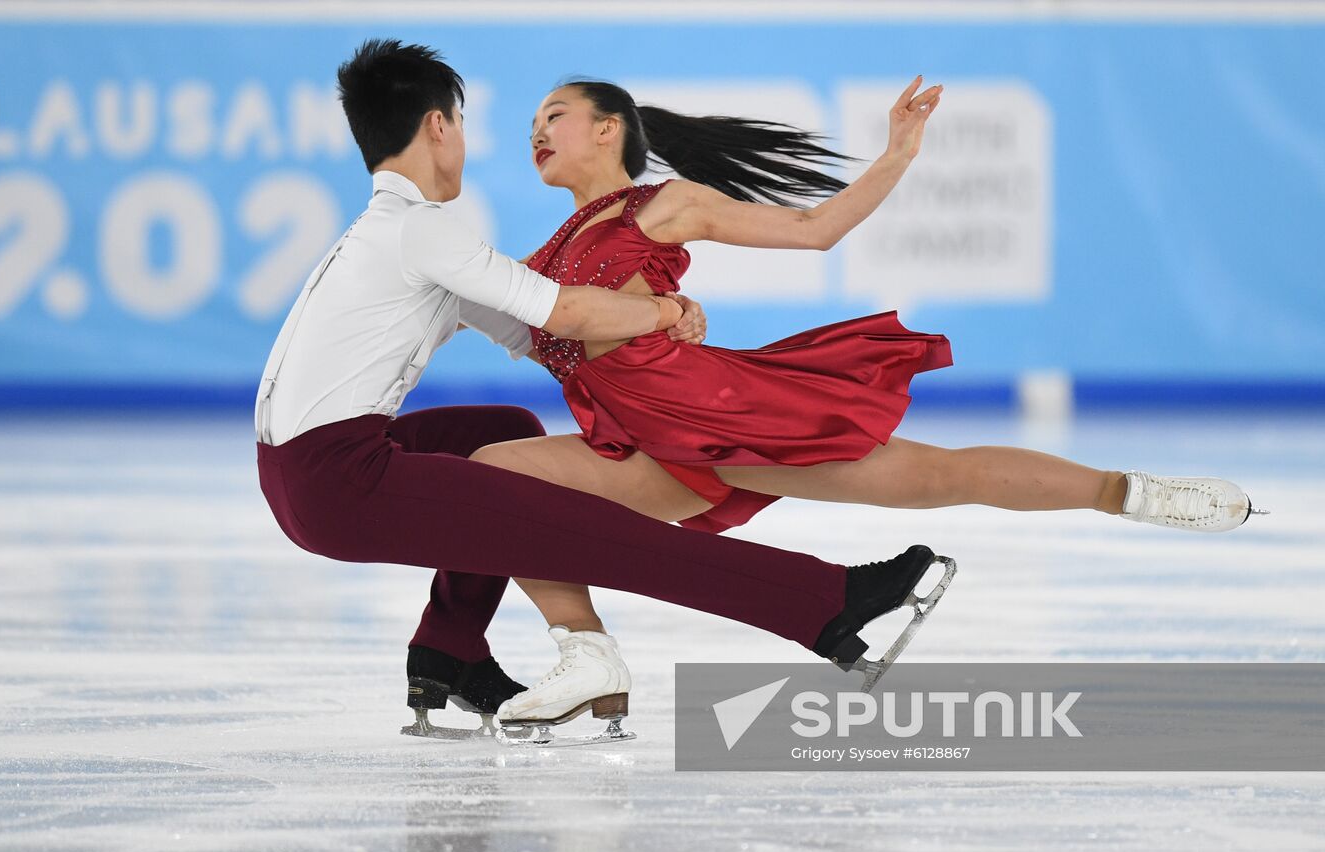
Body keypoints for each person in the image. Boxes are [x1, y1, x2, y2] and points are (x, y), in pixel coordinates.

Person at [469, 77, 1262, 729]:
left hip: (725, 416)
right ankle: (586, 653)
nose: (536, 131)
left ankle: (1136, 492)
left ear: (610, 130)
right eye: (533, 121)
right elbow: (528, 320)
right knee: (495, 479)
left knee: (943, 477)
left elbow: (814, 230)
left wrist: (896, 156)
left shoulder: (664, 205)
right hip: (642, 445)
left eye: (555, 116)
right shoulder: (549, 253)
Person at [255, 39, 951, 743]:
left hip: (294, 469)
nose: (467, 140)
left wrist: (646, 347)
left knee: (500, 431)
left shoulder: (387, 231)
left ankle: (450, 645)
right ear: (438, 126)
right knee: (578, 528)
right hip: (334, 484)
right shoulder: (423, 230)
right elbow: (562, 311)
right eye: (460, 124)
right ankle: (821, 602)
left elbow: (536, 332)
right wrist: (666, 313)